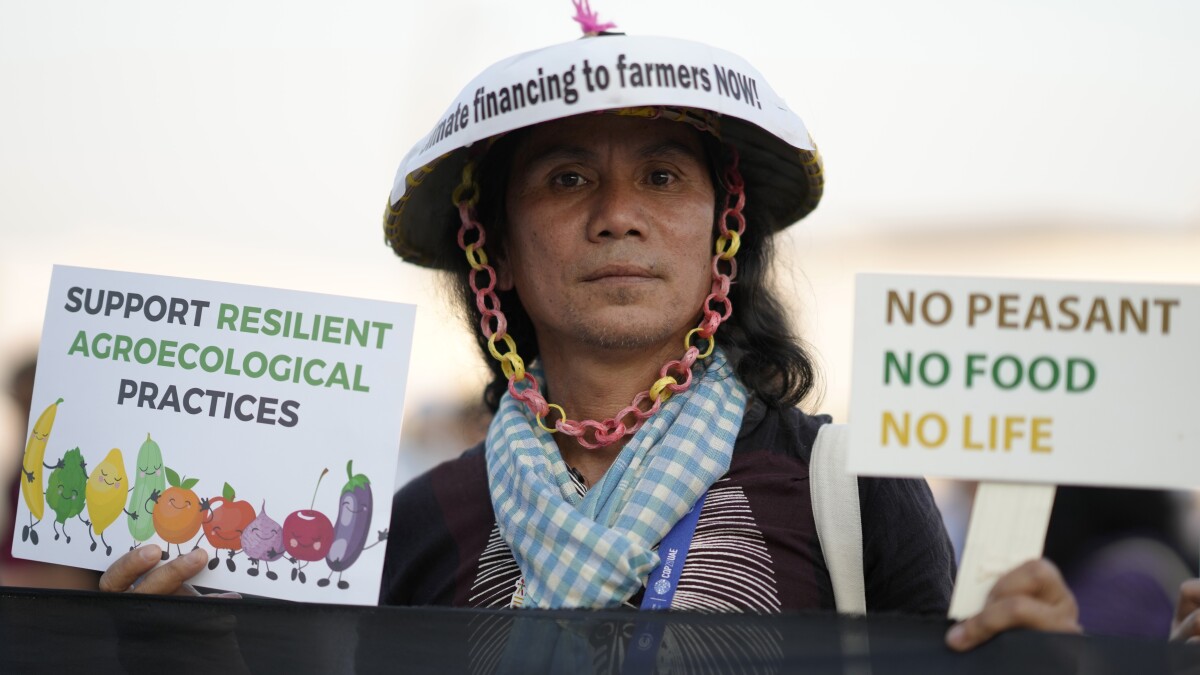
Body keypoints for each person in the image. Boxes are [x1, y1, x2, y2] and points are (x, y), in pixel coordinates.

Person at [99, 3, 1081, 654]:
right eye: (568, 179)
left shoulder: (851, 493)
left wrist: (1046, 654)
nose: (619, 215)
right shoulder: (420, 522)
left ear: (719, 237)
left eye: (663, 177)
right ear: (499, 253)